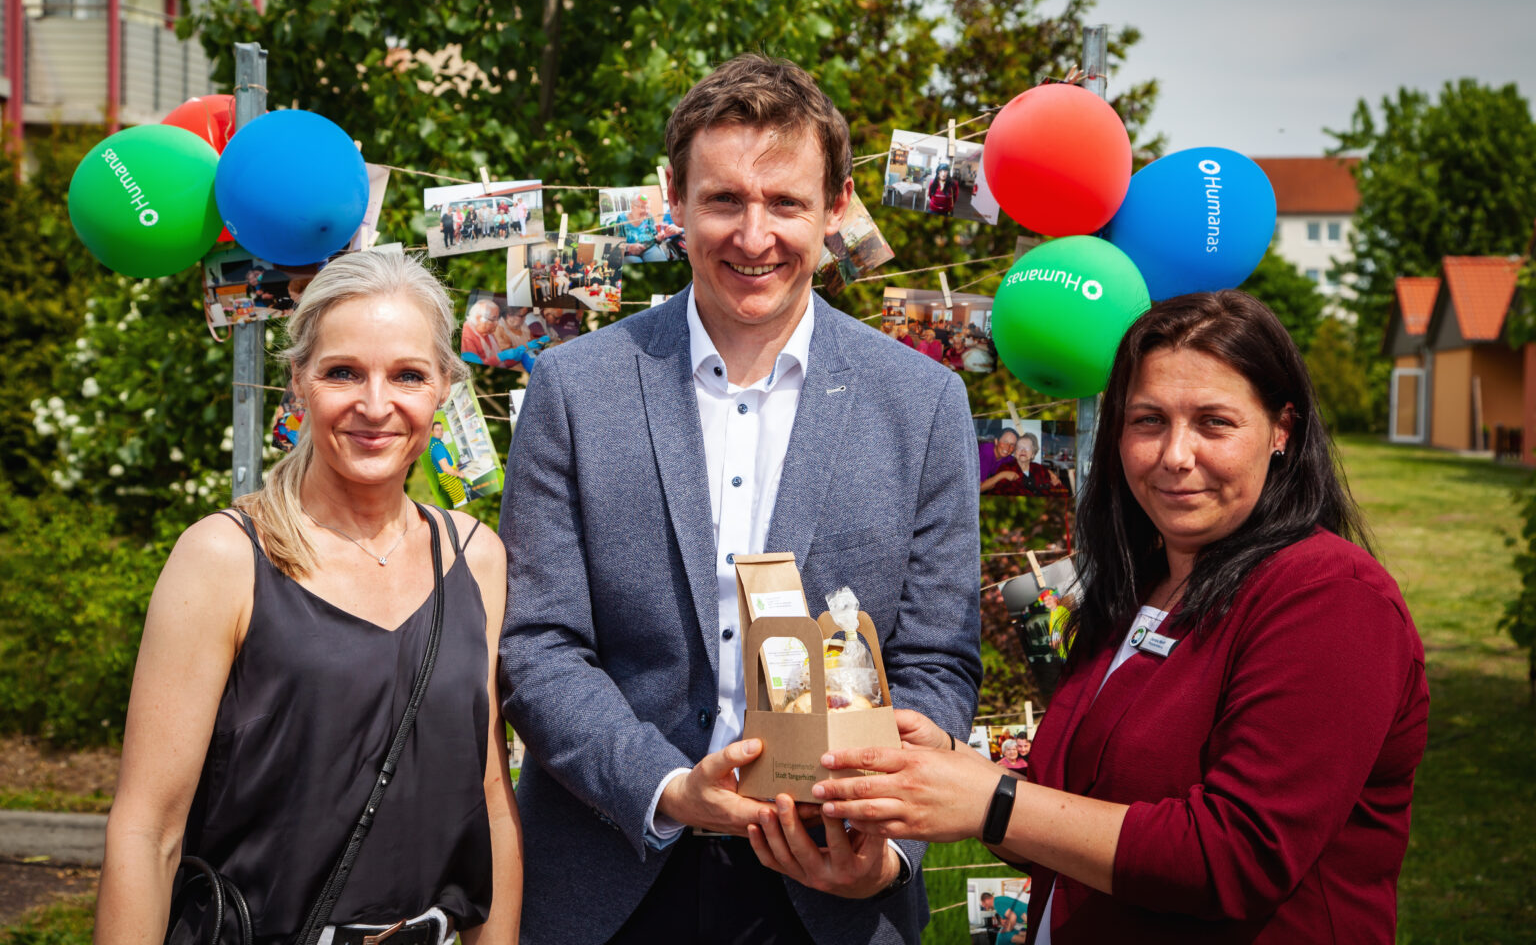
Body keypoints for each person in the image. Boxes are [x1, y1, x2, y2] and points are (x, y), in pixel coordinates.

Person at [500, 53, 981, 945]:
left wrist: (888, 845)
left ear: (836, 208)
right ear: (672, 200)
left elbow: (938, 663)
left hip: (836, 879)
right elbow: (538, 643)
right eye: (724, 200)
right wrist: (670, 788)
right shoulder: (574, 389)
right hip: (616, 872)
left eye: (786, 204)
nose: (753, 236)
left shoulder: (921, 403)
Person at [811, 290, 1429, 944]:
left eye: (1214, 423)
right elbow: (1071, 812)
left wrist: (993, 805)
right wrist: (959, 770)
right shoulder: (1141, 584)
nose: (1175, 455)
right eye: (1148, 421)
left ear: (1283, 430)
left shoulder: (1333, 598)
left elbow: (1238, 858)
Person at [96, 248, 522, 945]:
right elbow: (148, 833)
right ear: (298, 382)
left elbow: (490, 806)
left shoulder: (477, 557)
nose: (375, 405)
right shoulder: (225, 557)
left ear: (444, 385)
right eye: (343, 372)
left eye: (408, 375)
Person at [430, 420, 468, 507]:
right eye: (437, 429)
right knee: (461, 502)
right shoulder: (437, 446)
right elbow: (445, 468)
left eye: (441, 429)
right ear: (432, 432)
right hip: (450, 480)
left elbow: (446, 463)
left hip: (451, 479)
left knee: (459, 501)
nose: (440, 432)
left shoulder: (437, 444)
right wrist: (459, 474)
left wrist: (456, 467)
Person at [979, 429, 1022, 495]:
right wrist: (1002, 475)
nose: (1007, 447)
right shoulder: (986, 452)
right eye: (1005, 442)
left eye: (1012, 445)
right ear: (996, 441)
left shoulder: (1007, 457)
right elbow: (978, 489)